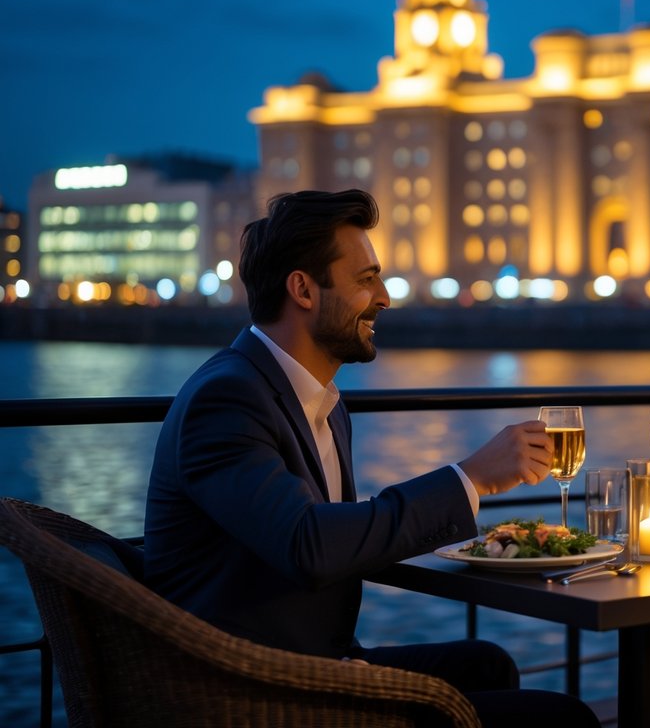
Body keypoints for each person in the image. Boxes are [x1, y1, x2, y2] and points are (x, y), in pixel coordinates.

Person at [144, 189, 599, 728]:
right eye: (366, 279)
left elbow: (330, 538)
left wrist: (502, 539)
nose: (384, 297)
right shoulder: (227, 399)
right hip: (252, 692)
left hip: (308, 662)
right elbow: (307, 542)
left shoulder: (321, 403)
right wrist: (471, 477)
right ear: (303, 289)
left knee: (486, 663)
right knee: (564, 719)